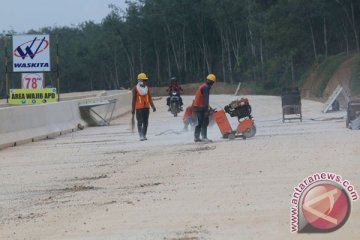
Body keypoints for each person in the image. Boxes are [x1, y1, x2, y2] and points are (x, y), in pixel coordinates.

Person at [132, 72, 156, 141]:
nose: (146, 82)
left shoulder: (147, 88)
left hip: (146, 108)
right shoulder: (135, 89)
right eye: (144, 80)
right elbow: (133, 100)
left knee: (146, 122)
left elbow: (150, 98)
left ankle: (144, 135)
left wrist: (153, 106)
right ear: (140, 81)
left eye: (146, 80)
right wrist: (133, 109)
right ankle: (141, 136)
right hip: (139, 108)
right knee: (140, 122)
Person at [193, 74, 216, 142]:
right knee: (204, 121)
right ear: (212, 82)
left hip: (198, 107)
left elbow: (203, 99)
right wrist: (206, 111)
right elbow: (206, 99)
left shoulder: (203, 86)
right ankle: (204, 137)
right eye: (212, 82)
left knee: (200, 122)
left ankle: (196, 137)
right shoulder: (206, 87)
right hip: (200, 108)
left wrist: (209, 107)